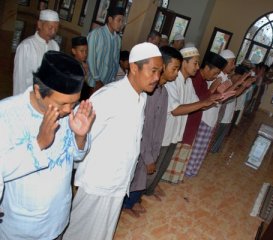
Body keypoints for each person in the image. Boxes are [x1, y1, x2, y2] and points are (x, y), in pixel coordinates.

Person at [63, 42, 163, 240]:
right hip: (97, 182)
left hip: (118, 182)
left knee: (102, 233)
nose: (157, 78)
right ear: (134, 67)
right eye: (152, 71)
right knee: (79, 232)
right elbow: (75, 130)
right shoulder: (109, 96)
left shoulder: (141, 97)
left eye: (159, 72)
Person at [0, 51, 95, 239]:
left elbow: (76, 156)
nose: (69, 110)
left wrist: (80, 136)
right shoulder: (6, 115)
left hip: (58, 217)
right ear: (38, 91)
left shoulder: (69, 111)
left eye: (74, 103)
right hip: (22, 227)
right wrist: (38, 144)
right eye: (62, 104)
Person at [122, 46, 183, 217]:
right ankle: (126, 204)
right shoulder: (149, 92)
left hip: (151, 147)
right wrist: (148, 156)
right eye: (175, 68)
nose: (177, 73)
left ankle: (132, 202)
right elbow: (143, 128)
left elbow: (159, 125)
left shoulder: (163, 92)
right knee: (135, 177)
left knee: (141, 179)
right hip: (142, 148)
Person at [162, 52, 227, 184]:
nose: (197, 67)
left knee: (169, 156)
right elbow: (181, 107)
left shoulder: (195, 81)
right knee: (164, 155)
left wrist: (210, 99)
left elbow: (199, 102)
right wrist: (211, 92)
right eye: (195, 63)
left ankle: (162, 182)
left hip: (185, 124)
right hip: (179, 124)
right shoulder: (189, 79)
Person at [13, 9, 60, 95]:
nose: (53, 32)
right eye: (50, 28)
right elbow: (19, 79)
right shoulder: (26, 46)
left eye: (56, 29)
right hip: (28, 97)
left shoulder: (55, 46)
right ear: (39, 24)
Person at [87, 6, 124, 94]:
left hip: (108, 84)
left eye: (122, 21)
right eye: (119, 20)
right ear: (110, 19)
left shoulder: (117, 39)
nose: (121, 24)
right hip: (95, 83)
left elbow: (115, 61)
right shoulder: (96, 34)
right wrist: (97, 80)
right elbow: (90, 58)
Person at [71, 36, 90, 100]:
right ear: (74, 51)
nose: (85, 54)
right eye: (81, 51)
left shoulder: (84, 65)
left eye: (86, 51)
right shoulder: (70, 66)